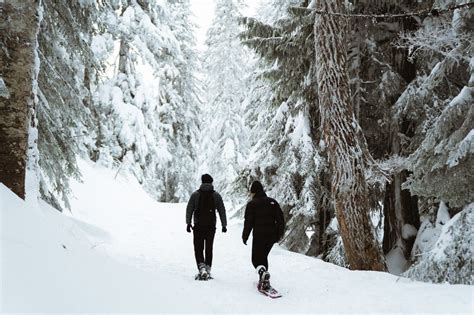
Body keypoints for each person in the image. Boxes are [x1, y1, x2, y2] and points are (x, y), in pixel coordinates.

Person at [242, 181, 285, 290]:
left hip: (259, 235)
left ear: (253, 192)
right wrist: (279, 234)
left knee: (255, 259)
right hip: (272, 235)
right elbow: (281, 220)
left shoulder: (252, 204)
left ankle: (263, 273)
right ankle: (264, 278)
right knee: (263, 256)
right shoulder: (273, 202)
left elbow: (248, 222)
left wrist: (245, 235)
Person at [186, 174, 227, 280]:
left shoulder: (195, 195)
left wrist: (188, 223)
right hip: (211, 226)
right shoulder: (216, 195)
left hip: (198, 226)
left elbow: (189, 209)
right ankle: (208, 269)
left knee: (198, 248)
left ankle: (201, 268)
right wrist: (224, 225)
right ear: (211, 182)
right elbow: (222, 210)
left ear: (202, 182)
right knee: (209, 248)